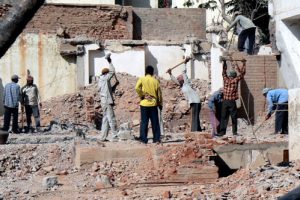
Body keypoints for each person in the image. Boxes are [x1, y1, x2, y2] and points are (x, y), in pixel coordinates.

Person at [167, 58, 202, 132]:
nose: (178, 80)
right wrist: (170, 74)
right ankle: (198, 130)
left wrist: (184, 63)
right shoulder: (182, 86)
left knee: (194, 116)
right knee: (195, 116)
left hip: (196, 101)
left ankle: (195, 131)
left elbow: (183, 72)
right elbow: (175, 80)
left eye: (179, 79)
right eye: (178, 80)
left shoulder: (186, 83)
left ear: (183, 80)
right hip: (193, 102)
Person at [218, 59, 246, 136]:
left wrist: (224, 62)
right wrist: (243, 64)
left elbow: (223, 72)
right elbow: (242, 73)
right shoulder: (236, 80)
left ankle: (222, 132)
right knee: (234, 117)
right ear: (234, 76)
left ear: (229, 75)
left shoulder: (226, 79)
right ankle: (234, 132)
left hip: (225, 101)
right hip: (232, 102)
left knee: (224, 117)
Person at [135, 65, 163, 144]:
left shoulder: (142, 79)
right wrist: (160, 103)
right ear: (152, 72)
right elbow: (159, 94)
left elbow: (137, 88)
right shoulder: (155, 81)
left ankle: (143, 139)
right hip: (153, 104)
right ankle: (156, 139)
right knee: (155, 122)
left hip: (144, 104)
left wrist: (143, 95)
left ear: (146, 72)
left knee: (144, 122)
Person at [98, 53, 118, 142]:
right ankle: (115, 136)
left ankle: (103, 137)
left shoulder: (102, 80)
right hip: (106, 101)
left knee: (105, 119)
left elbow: (109, 90)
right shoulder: (105, 78)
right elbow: (112, 71)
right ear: (106, 74)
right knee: (111, 118)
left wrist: (115, 85)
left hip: (103, 101)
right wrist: (110, 62)